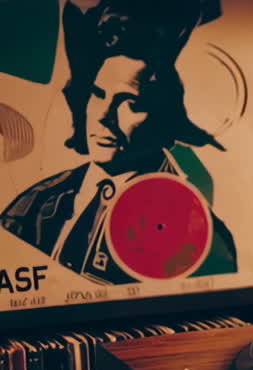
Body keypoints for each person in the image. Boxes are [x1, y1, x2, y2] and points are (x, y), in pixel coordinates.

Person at [1, 52, 236, 284]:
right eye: (97, 95)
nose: (103, 116)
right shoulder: (33, 203)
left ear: (165, 122)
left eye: (130, 103)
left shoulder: (202, 238)